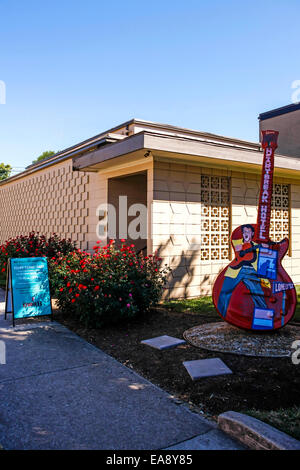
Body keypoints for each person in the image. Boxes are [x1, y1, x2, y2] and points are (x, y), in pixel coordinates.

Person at [217, 224, 269, 318]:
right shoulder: (237, 242)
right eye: (244, 232)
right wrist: (246, 243)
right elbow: (238, 248)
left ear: (252, 233)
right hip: (236, 270)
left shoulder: (256, 245)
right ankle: (223, 316)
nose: (246, 233)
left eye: (248, 231)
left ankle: (263, 320)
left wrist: (265, 247)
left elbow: (266, 253)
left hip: (251, 271)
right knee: (224, 292)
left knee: (258, 295)